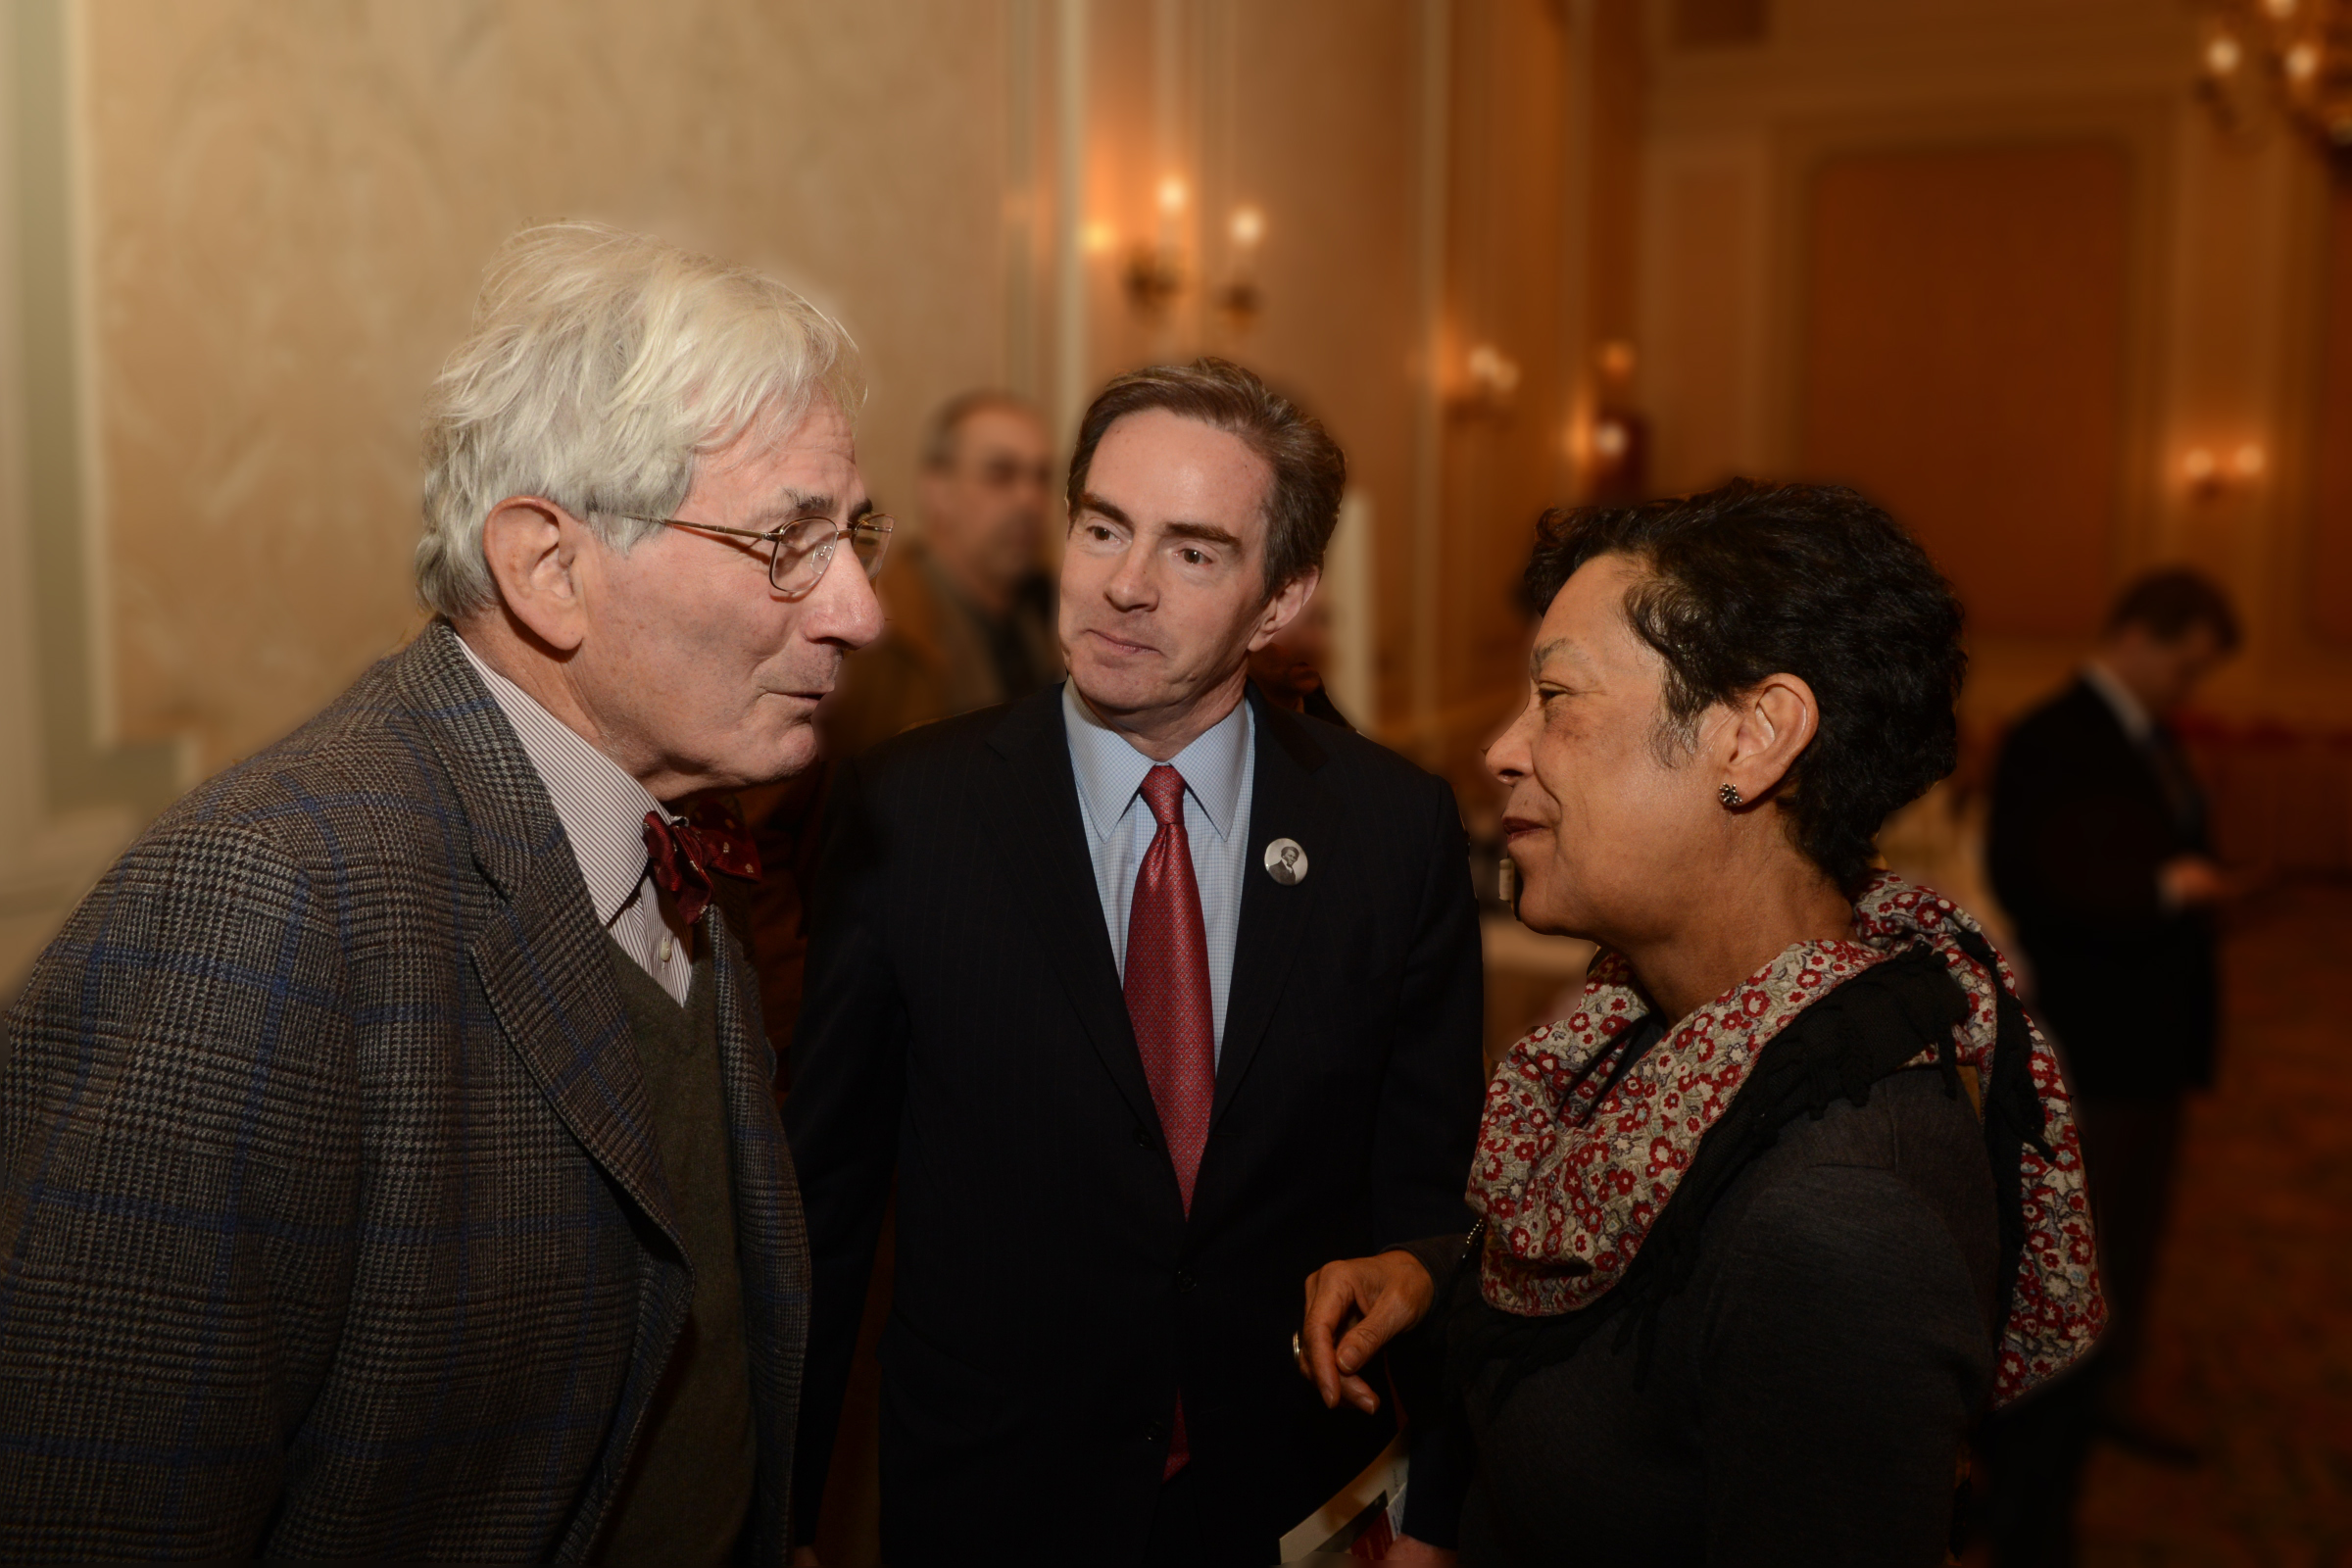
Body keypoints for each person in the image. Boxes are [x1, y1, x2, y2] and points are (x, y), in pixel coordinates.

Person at [0, 221, 885, 1562]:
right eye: (788, 543)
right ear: (549, 569)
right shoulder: (269, 906)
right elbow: (96, 1499)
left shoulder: (675, 831)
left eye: (854, 535)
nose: (860, 610)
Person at [1299, 481, 2105, 1564]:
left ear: (1755, 738)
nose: (1502, 747)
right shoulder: (1670, 1035)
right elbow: (1648, 1297)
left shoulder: (1842, 1215)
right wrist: (1439, 1274)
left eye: (1557, 698)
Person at [785, 359, 1486, 1565]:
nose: (1124, 585)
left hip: (1287, 1495)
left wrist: (1440, 1510)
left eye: (1194, 552)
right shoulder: (913, 813)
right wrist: (783, 1516)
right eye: (1104, 527)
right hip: (991, 1498)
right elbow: (823, 1204)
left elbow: (1431, 1205)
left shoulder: (1390, 832)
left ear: (1281, 600)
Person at [1979, 566, 2241, 1561]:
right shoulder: (2057, 733)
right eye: (2186, 663)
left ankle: (2094, 1412)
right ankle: (2034, 1481)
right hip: (2096, 1044)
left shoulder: (2147, 736)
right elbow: (2042, 875)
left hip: (2151, 1040)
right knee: (2069, 1265)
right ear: (2138, 633)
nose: (2190, 686)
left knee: (2123, 1248)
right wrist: (2167, 886)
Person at [818, 389, 1063, 759]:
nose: (1030, 500)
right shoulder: (874, 637)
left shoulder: (1055, 620)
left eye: (1041, 478)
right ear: (937, 490)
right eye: (1001, 474)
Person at [1248, 589, 1353, 728]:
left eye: (1322, 621)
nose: (1313, 644)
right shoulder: (1222, 734)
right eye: (1290, 625)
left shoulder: (1332, 726)